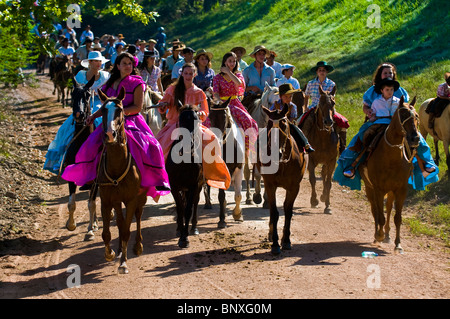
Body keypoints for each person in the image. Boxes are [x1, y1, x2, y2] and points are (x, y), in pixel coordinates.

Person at [61, 52, 171, 200]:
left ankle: (158, 180)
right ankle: (91, 178)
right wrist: (93, 116)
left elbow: (137, 107)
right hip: (110, 119)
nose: (128, 66)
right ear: (117, 66)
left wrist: (118, 112)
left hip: (131, 119)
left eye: (130, 64)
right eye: (124, 63)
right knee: (90, 144)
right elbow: (105, 105)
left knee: (153, 145)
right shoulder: (109, 84)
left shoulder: (138, 82)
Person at [334, 69, 439, 191]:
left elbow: (404, 111)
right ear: (381, 88)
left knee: (416, 137)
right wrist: (370, 116)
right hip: (379, 123)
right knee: (363, 136)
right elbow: (370, 111)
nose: (389, 91)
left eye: (390, 73)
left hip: (396, 124)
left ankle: (425, 164)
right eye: (385, 73)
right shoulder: (376, 100)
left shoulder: (397, 99)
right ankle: (353, 164)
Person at [154, 63, 231, 190]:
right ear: (182, 74)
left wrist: (201, 114)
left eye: (191, 74)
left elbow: (205, 112)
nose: (188, 76)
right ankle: (162, 177)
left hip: (193, 125)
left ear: (195, 75)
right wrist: (163, 105)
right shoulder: (171, 90)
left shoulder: (199, 92)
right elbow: (163, 105)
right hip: (174, 123)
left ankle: (208, 174)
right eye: (186, 73)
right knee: (161, 144)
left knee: (213, 141)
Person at [43, 51, 110, 174]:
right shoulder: (81, 75)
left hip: (99, 103)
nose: (99, 63)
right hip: (84, 103)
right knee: (66, 128)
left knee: (104, 122)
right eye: (96, 61)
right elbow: (78, 93)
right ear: (90, 62)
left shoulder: (106, 76)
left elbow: (108, 94)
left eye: (100, 61)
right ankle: (64, 158)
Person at [208, 52, 259, 157]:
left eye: (234, 61)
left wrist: (228, 72)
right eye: (230, 61)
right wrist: (220, 103)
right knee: (207, 123)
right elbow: (216, 93)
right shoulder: (217, 77)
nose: (232, 63)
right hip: (222, 104)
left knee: (248, 121)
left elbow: (238, 83)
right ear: (225, 62)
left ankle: (248, 147)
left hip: (235, 103)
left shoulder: (238, 74)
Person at [302, 61, 349, 153]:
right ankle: (303, 145)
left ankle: (342, 147)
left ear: (326, 72)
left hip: (328, 109)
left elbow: (332, 98)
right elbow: (306, 96)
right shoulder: (310, 83)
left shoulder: (332, 84)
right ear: (317, 72)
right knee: (302, 122)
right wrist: (306, 107)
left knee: (343, 123)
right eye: (320, 70)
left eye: (323, 70)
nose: (322, 72)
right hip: (314, 108)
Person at [269, 83, 314, 153]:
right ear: (280, 96)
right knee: (266, 130)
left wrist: (286, 122)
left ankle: (306, 144)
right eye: (286, 97)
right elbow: (270, 113)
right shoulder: (275, 104)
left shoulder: (293, 106)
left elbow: (293, 117)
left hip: (288, 123)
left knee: (296, 129)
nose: (288, 99)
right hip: (276, 123)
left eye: (290, 97)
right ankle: (260, 144)